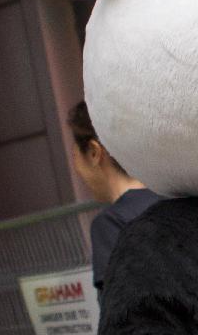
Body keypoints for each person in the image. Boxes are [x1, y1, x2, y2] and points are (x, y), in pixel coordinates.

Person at [68, 101, 162, 292]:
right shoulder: (179, 199)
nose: (76, 168)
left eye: (75, 155)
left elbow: (122, 313)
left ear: (94, 152)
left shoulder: (112, 223)